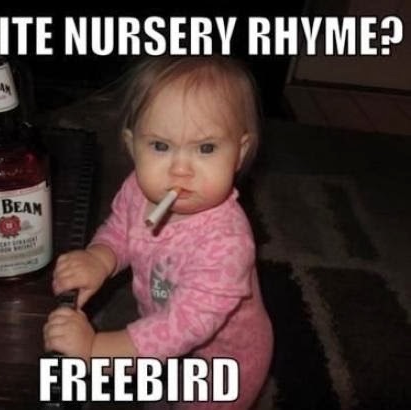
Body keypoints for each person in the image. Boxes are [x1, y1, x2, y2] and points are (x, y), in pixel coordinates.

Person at [43, 55, 273, 409]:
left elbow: (181, 326)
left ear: (238, 154)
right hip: (161, 333)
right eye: (160, 146)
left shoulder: (228, 243)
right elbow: (121, 229)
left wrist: (97, 350)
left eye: (206, 148)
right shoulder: (138, 189)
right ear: (132, 145)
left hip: (220, 366)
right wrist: (100, 258)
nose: (180, 170)